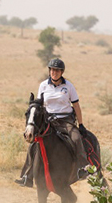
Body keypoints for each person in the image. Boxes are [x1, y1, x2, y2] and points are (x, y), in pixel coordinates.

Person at [16, 58, 89, 187]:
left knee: (76, 138)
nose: (54, 72)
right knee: (34, 143)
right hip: (49, 120)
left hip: (66, 120)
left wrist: (81, 124)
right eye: (52, 70)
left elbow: (76, 106)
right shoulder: (43, 85)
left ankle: (82, 169)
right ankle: (27, 176)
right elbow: (40, 105)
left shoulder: (68, 86)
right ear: (49, 71)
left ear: (62, 72)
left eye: (57, 70)